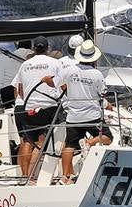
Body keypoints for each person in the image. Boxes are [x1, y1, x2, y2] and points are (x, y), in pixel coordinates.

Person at [43, 39, 112, 184]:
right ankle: (89, 142)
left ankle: (66, 177)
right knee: (107, 137)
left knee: (69, 146)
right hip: (92, 115)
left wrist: (46, 79)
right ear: (94, 57)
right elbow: (103, 94)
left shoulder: (68, 71)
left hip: (73, 116)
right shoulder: (97, 74)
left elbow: (53, 83)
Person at [9, 37, 60, 179]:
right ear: (47, 48)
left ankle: (25, 175)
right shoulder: (55, 63)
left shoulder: (25, 65)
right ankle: (32, 175)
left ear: (33, 49)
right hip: (48, 107)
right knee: (41, 141)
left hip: (28, 107)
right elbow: (62, 85)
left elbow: (19, 90)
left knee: (27, 140)